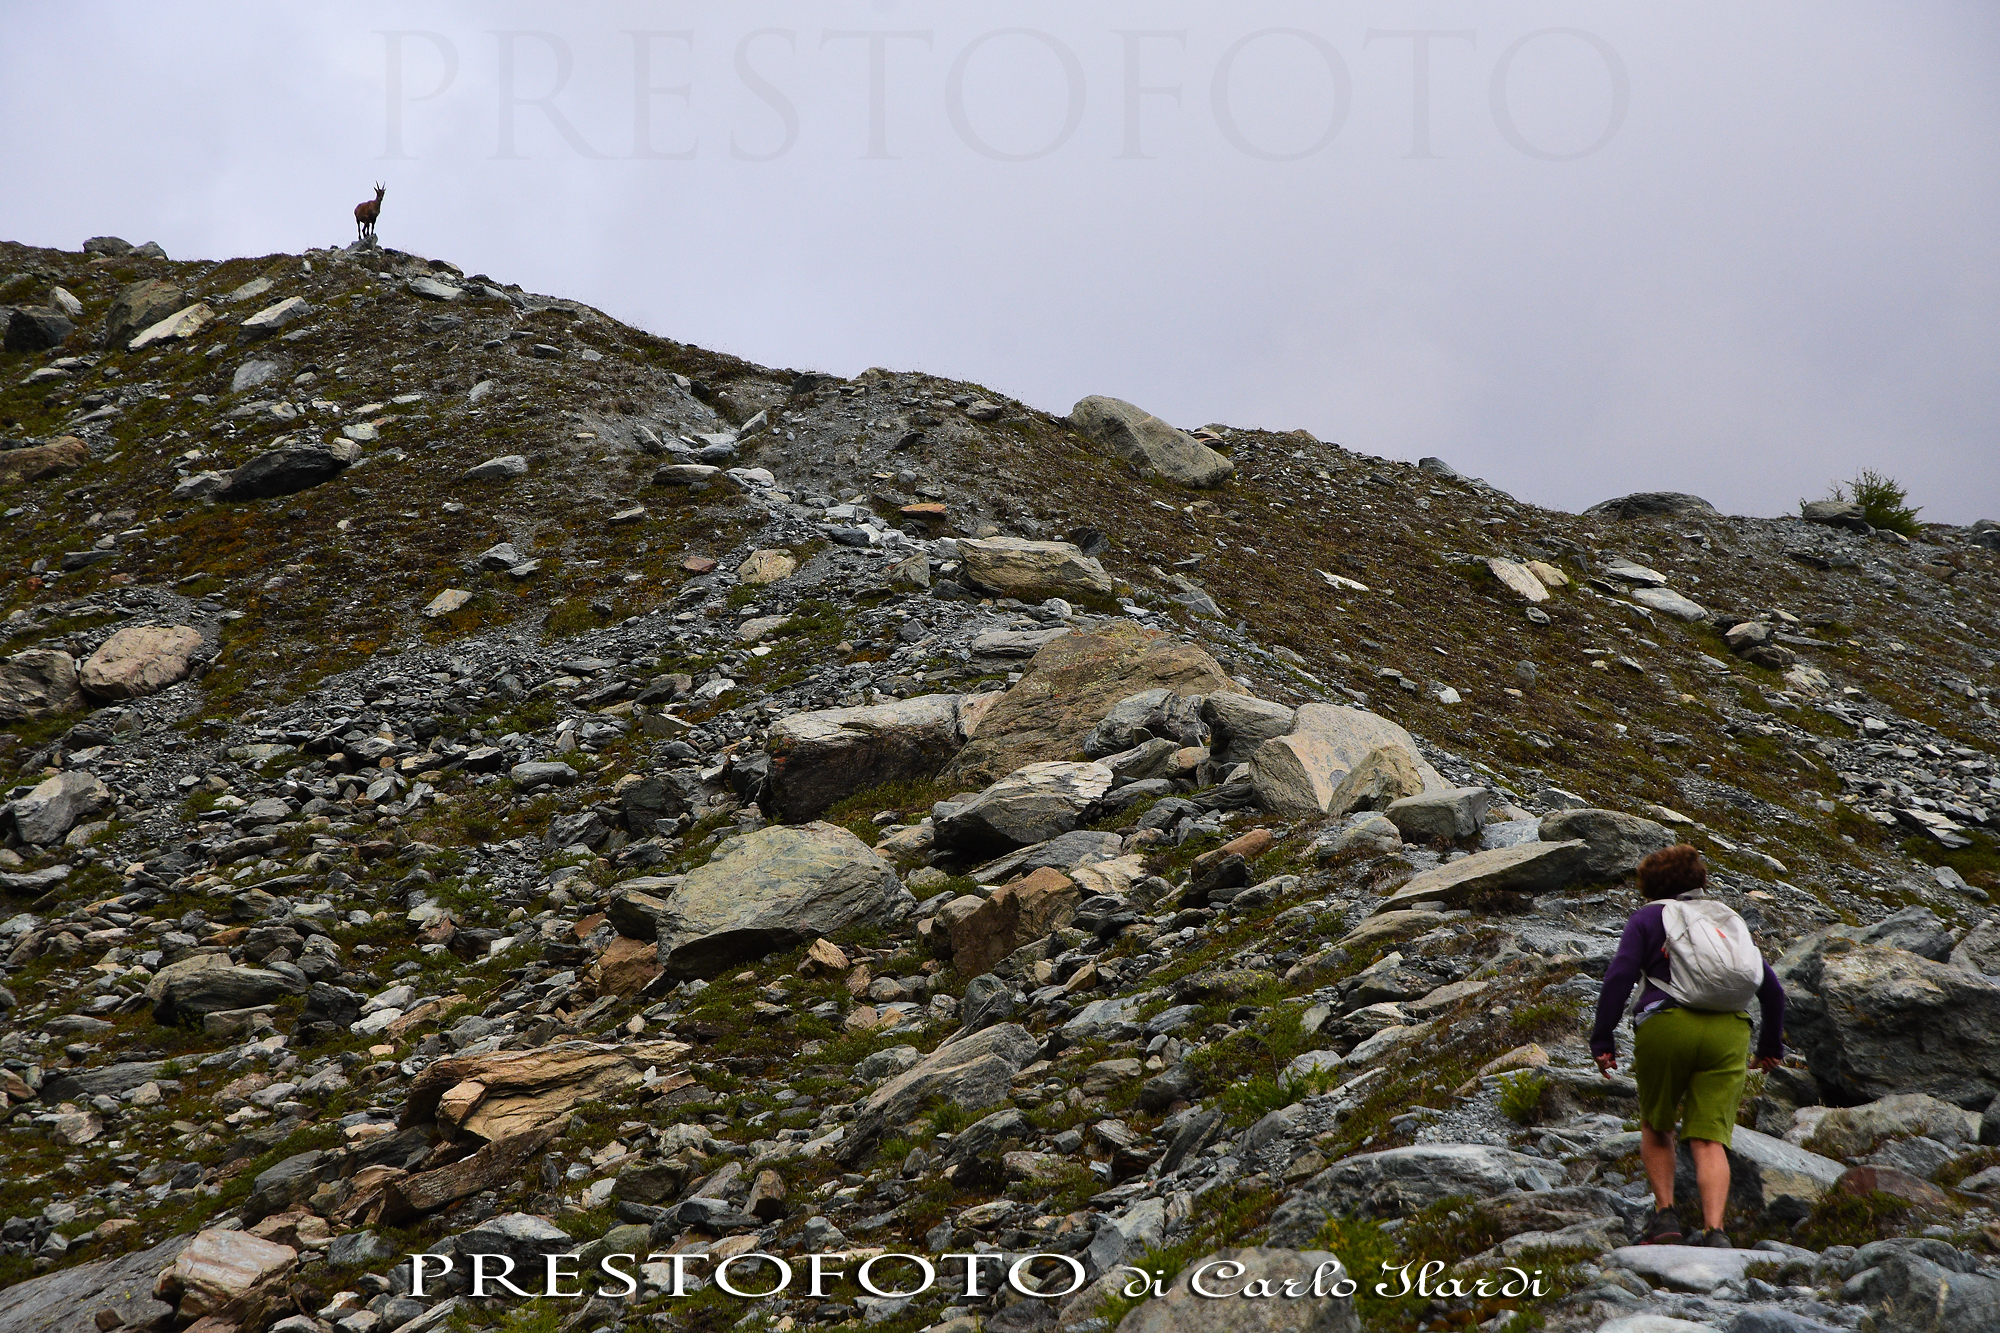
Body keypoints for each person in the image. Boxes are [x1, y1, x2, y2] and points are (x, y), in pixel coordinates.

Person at [1591, 844, 1785, 1248]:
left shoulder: (1648, 917)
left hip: (1668, 1025)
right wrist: (1769, 1048)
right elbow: (1772, 990)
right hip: (1729, 1031)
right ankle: (1716, 1232)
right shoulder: (1724, 921)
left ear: (1649, 886)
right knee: (1710, 1138)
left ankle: (1665, 1218)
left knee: (1657, 1125)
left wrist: (1603, 1037)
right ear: (1700, 881)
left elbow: (1620, 976)